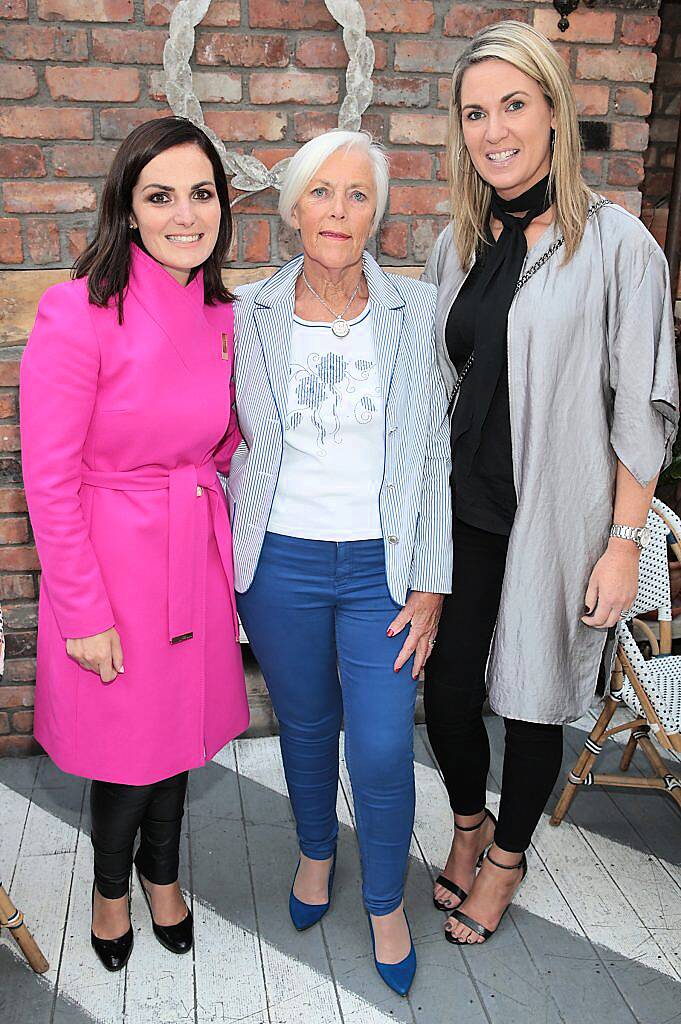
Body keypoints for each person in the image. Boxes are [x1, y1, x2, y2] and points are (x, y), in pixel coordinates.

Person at [422, 20, 678, 946]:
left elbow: (640, 411)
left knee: (532, 696)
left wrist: (621, 543)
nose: (494, 130)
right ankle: (467, 823)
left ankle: (505, 858)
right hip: (464, 518)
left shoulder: (616, 248)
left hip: (560, 522)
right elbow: (432, 387)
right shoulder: (455, 244)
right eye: (475, 112)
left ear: (553, 112)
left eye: (513, 105)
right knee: (447, 695)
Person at [20, 116, 249, 971]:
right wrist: (83, 608)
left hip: (191, 557)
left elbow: (223, 442)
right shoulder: (77, 310)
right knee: (126, 750)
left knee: (177, 738)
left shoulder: (221, 313)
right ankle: (113, 892)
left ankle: (164, 879)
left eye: (201, 194)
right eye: (161, 195)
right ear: (128, 207)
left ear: (222, 208)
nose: (184, 214)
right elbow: (47, 476)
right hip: (113, 566)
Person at [228, 129, 452, 995]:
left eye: (357, 195)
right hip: (278, 563)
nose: (337, 210)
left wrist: (431, 581)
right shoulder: (249, 313)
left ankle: (386, 902)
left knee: (386, 747)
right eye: (321, 192)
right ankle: (317, 853)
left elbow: (431, 453)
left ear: (376, 213)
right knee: (308, 726)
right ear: (292, 209)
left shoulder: (418, 311)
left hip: (381, 572)